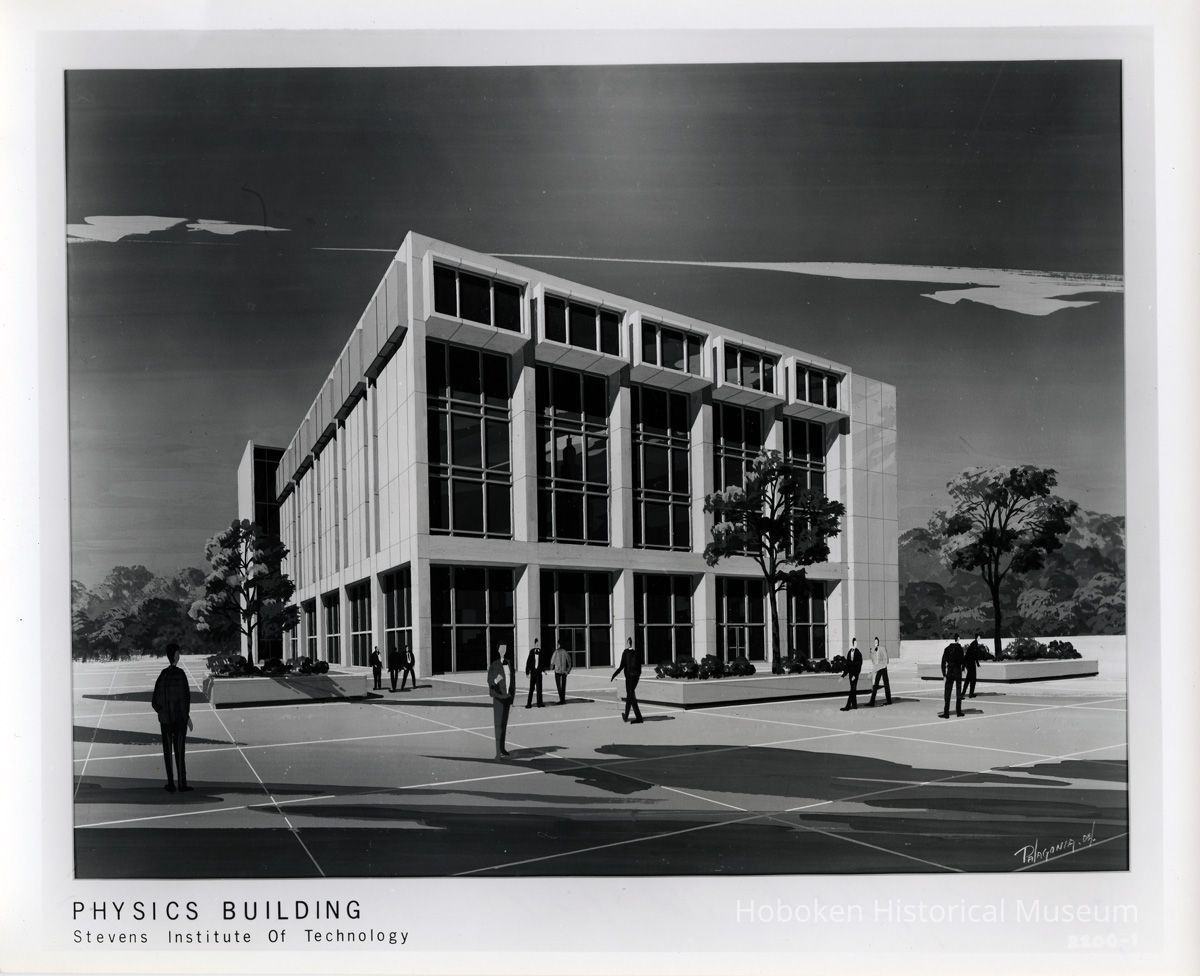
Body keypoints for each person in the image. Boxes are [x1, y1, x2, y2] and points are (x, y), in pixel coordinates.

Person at [151, 643, 193, 793]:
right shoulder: (180, 674)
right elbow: (185, 698)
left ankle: (171, 783)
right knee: (180, 752)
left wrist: (162, 712)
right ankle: (182, 784)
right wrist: (186, 717)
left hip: (165, 721)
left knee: (167, 752)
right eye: (178, 653)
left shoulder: (162, 675)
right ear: (175, 655)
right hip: (179, 720)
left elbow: (154, 701)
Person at [487, 645, 516, 758]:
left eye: (505, 648)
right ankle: (497, 752)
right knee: (498, 725)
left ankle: (502, 748)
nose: (504, 650)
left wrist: (512, 697)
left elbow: (513, 681)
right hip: (499, 697)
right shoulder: (494, 664)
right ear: (498, 650)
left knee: (504, 725)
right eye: (501, 648)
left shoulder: (509, 663)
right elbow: (489, 681)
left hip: (508, 697)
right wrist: (496, 680)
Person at [610, 638, 643, 723]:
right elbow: (640, 668)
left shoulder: (625, 653)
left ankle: (639, 718)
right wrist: (637, 676)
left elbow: (621, 666)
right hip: (635, 677)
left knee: (631, 696)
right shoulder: (636, 653)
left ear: (628, 643)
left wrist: (614, 675)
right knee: (629, 696)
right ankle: (626, 716)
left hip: (629, 678)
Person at [940, 633, 965, 718]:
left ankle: (946, 713)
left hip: (950, 671)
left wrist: (944, 674)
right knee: (958, 691)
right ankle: (959, 712)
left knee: (947, 692)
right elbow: (963, 660)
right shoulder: (960, 649)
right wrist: (963, 668)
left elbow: (943, 662)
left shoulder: (947, 649)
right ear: (958, 639)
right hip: (958, 671)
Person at [867, 636, 891, 706]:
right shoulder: (873, 650)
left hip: (883, 668)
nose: (876, 643)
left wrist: (882, 666)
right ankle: (872, 702)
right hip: (878, 668)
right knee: (876, 685)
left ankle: (888, 701)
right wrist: (872, 652)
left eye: (877, 642)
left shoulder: (882, 648)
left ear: (878, 642)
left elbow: (887, 659)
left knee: (885, 684)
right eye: (875, 642)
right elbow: (873, 661)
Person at [840, 637, 863, 711]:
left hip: (855, 674)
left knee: (852, 690)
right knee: (853, 689)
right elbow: (847, 665)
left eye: (856, 643)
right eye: (854, 643)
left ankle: (847, 706)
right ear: (853, 643)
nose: (856, 644)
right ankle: (854, 705)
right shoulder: (849, 652)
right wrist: (843, 675)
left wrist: (855, 675)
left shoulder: (858, 653)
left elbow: (859, 666)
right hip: (850, 674)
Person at [524, 638, 547, 708]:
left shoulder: (541, 652)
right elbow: (528, 662)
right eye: (536, 644)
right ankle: (528, 704)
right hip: (533, 673)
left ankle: (540, 703)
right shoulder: (531, 652)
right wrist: (527, 672)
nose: (537, 645)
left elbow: (542, 662)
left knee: (539, 689)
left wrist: (544, 670)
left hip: (539, 673)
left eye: (538, 644)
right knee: (531, 689)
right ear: (534, 644)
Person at [963, 633, 985, 698]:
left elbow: (970, 655)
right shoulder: (974, 644)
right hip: (970, 663)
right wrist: (977, 663)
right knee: (972, 679)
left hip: (969, 663)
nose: (980, 637)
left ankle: (964, 692)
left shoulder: (973, 644)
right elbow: (974, 655)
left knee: (968, 679)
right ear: (977, 637)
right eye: (979, 636)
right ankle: (970, 693)